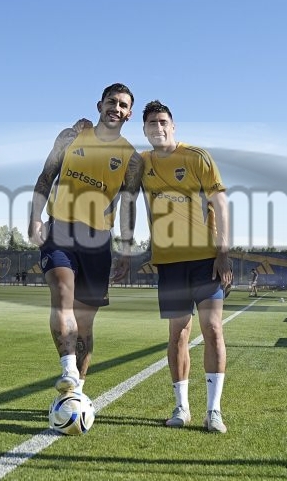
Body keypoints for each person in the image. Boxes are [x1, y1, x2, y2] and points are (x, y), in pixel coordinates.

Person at [28, 83, 143, 396]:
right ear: (99, 105)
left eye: (122, 105)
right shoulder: (71, 135)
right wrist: (35, 218)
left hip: (98, 241)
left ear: (129, 114)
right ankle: (68, 368)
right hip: (60, 229)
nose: (115, 108)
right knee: (62, 291)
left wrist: (126, 251)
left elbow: (128, 206)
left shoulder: (132, 159)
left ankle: (76, 392)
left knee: (86, 324)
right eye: (111, 102)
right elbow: (45, 177)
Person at [140, 100, 232, 433]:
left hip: (206, 260)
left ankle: (214, 411)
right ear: (144, 130)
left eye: (163, 122)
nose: (158, 128)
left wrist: (223, 251)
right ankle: (182, 407)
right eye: (152, 123)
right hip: (169, 263)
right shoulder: (141, 163)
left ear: (173, 126)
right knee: (178, 334)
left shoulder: (196, 157)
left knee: (213, 329)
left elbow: (220, 202)